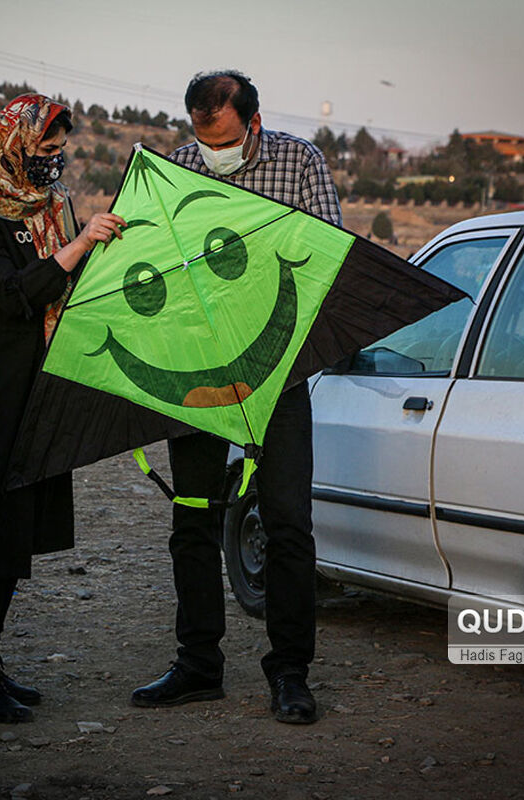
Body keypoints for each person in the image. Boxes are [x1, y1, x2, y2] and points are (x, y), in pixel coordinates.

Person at [130, 70, 342, 725]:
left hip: (277, 371)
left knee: (287, 523)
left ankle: (289, 674)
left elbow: (326, 255)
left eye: (218, 134)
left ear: (252, 120)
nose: (208, 148)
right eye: (198, 134)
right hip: (194, 372)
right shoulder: (173, 171)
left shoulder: (299, 161)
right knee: (191, 517)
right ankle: (197, 667)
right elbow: (149, 262)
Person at [0, 94, 124, 724]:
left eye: (58, 149)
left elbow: (70, 291)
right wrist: (77, 248)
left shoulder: (50, 207)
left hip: (40, 389)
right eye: (44, 148)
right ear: (13, 144)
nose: (54, 159)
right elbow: (8, 295)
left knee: (16, 531)